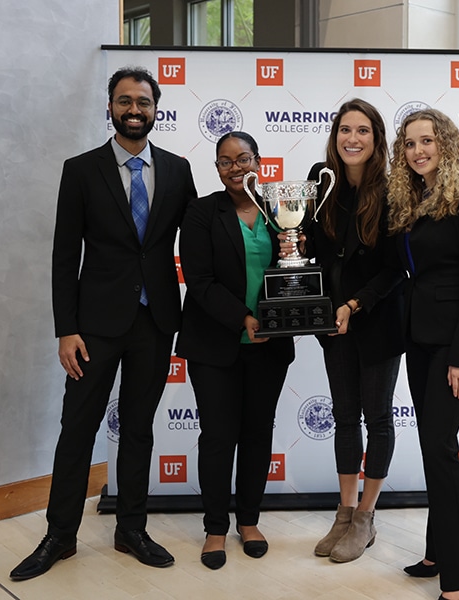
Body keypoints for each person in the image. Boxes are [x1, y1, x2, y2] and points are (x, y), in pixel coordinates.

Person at [10, 66, 197, 581]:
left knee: (138, 430)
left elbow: (201, 240)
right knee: (78, 430)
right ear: (110, 107)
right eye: (124, 101)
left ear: (156, 109)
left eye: (143, 102)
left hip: (155, 322)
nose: (134, 110)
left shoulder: (179, 170)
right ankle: (59, 536)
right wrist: (65, 329)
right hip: (92, 328)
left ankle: (131, 529)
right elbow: (63, 255)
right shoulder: (81, 169)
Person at [288, 99, 404, 563]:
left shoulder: (395, 191)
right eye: (343, 131)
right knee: (344, 416)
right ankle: (344, 510)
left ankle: (366, 517)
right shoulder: (322, 182)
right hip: (333, 326)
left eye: (362, 131)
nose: (351, 139)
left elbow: (397, 268)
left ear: (376, 139)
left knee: (376, 417)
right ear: (334, 137)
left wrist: (355, 305)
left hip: (375, 321)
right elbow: (314, 251)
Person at [387, 108, 459, 600]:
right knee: (434, 446)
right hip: (420, 340)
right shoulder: (414, 199)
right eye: (409, 144)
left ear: (446, 143)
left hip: (458, 344)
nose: (418, 151)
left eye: (427, 141)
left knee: (440, 445)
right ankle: (437, 551)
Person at [176, 132, 295, 570]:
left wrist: (295, 251)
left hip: (270, 348)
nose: (235, 168)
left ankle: (248, 521)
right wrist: (244, 318)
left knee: (258, 433)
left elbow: (297, 273)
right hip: (215, 344)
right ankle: (214, 528)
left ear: (259, 162)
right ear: (217, 168)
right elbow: (199, 279)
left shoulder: (280, 209)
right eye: (225, 162)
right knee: (218, 436)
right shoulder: (201, 211)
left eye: (243, 159)